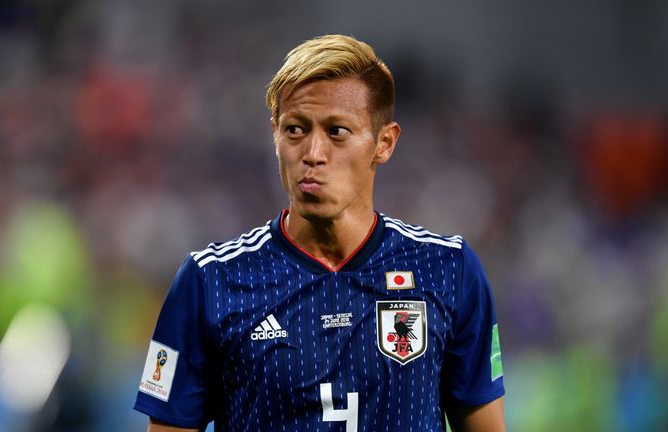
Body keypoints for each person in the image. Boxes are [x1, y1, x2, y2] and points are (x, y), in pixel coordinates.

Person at [134, 34, 505, 431]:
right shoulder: (210, 281)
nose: (312, 153)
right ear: (275, 134)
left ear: (384, 143)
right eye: (295, 130)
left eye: (337, 131)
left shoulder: (449, 270)